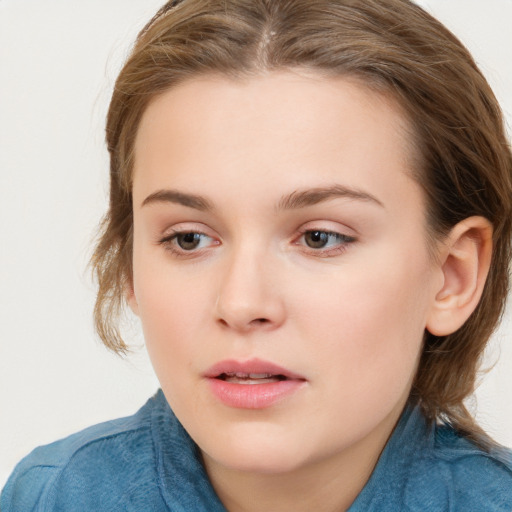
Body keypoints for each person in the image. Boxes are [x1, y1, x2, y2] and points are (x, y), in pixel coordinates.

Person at [2, 0, 511, 510]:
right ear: (130, 264)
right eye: (188, 239)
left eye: (319, 238)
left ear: (451, 276)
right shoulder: (51, 496)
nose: (242, 303)